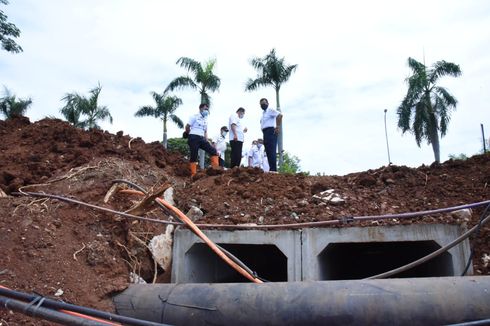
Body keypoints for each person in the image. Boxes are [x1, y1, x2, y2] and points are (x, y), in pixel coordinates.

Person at [184, 103, 219, 176]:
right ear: (200, 108)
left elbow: (205, 131)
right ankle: (193, 174)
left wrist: (207, 140)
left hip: (202, 138)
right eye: (205, 109)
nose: (206, 110)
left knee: (213, 151)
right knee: (194, 155)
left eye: (207, 109)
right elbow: (187, 126)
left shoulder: (205, 120)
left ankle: (216, 170)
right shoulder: (194, 116)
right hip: (193, 137)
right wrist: (189, 133)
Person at [259, 98, 282, 172]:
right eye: (261, 103)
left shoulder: (270, 110)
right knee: (268, 151)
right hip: (265, 133)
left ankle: (273, 170)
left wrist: (278, 126)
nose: (263, 104)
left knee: (272, 151)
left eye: (264, 103)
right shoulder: (263, 114)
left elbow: (279, 115)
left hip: (271, 132)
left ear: (268, 103)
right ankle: (271, 169)